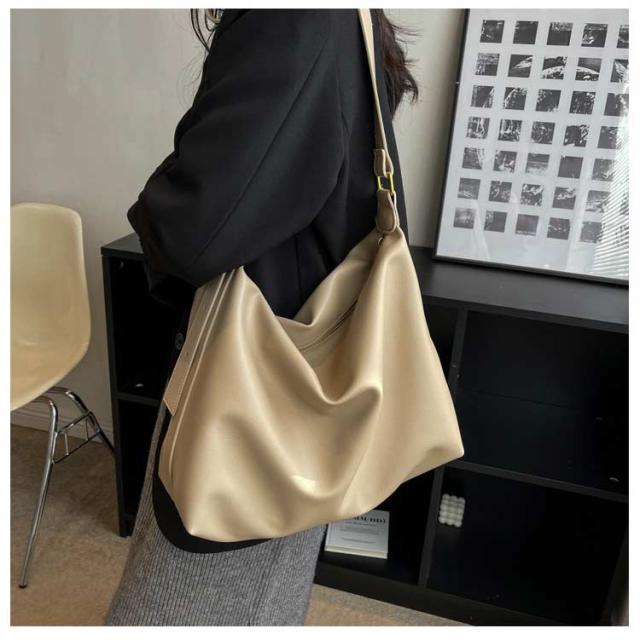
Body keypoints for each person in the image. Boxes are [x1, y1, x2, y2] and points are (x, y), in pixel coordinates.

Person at [105, 8, 418, 626]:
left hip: (250, 391)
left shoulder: (292, 18)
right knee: (262, 602)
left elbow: (193, 230)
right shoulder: (340, 20)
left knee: (173, 610)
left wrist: (157, 209)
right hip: (300, 384)